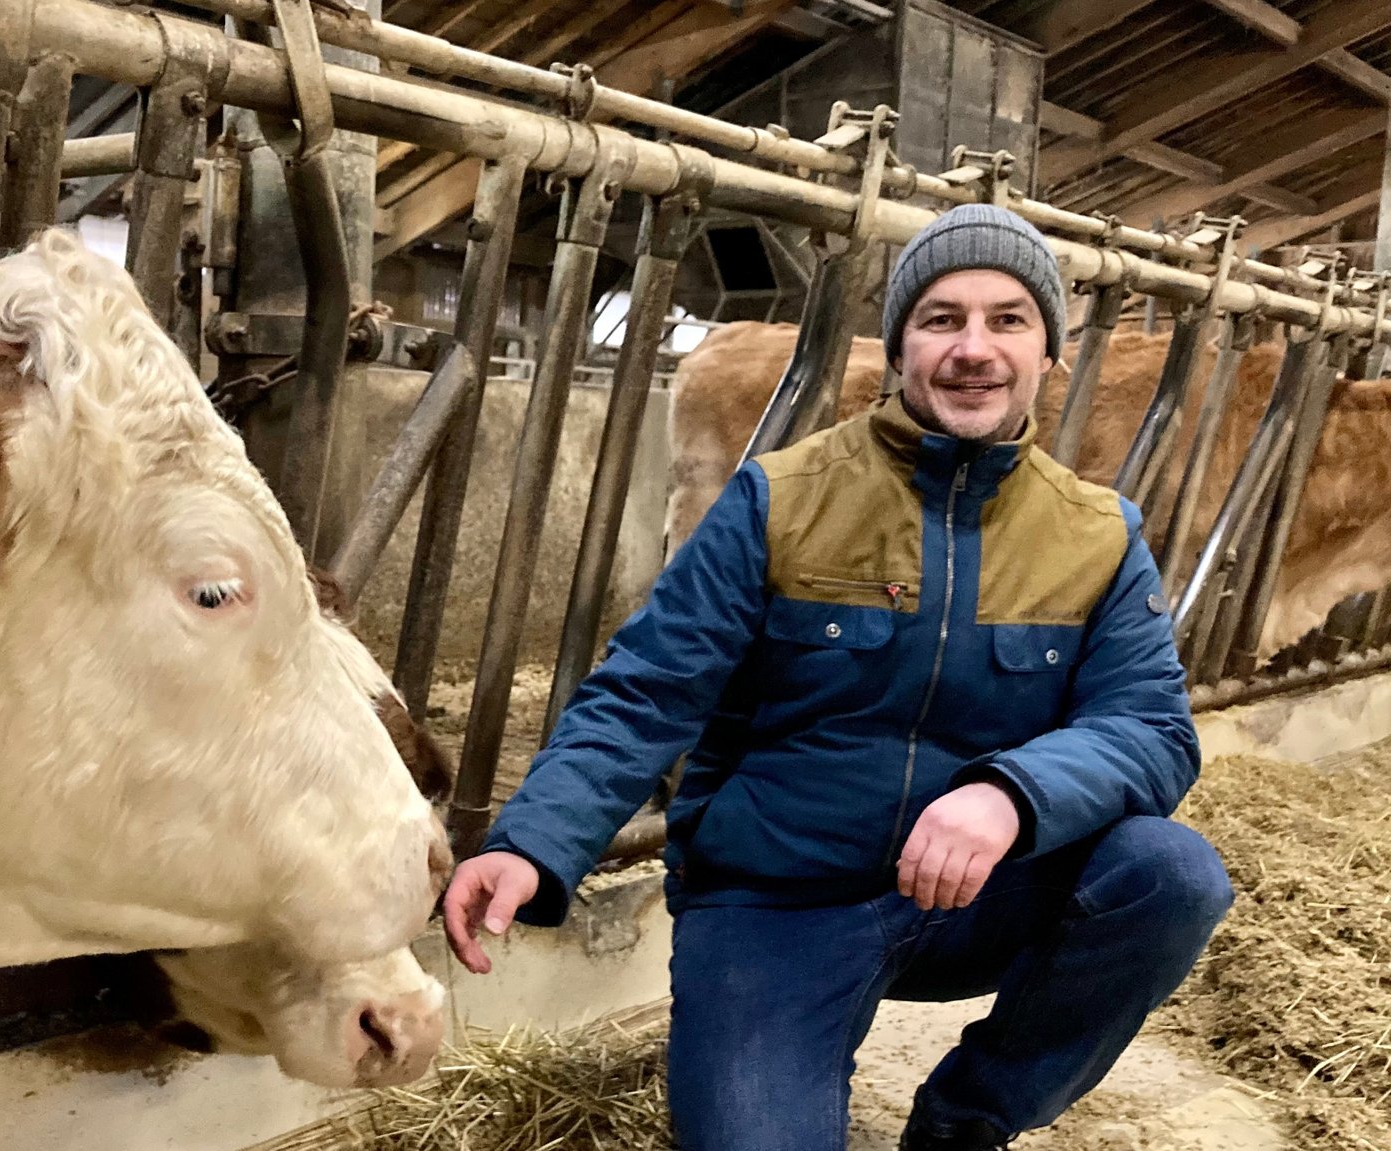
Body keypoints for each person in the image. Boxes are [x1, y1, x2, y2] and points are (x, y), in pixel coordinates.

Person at [440, 204, 1234, 1151]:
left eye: (1007, 318)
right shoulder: (779, 499)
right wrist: (533, 841)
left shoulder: (1098, 534)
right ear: (898, 345)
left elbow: (1151, 729)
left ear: (1048, 352)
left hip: (976, 893)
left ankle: (966, 1122)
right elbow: (647, 688)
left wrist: (1009, 797)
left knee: (1170, 874)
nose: (973, 348)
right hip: (780, 899)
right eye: (942, 318)